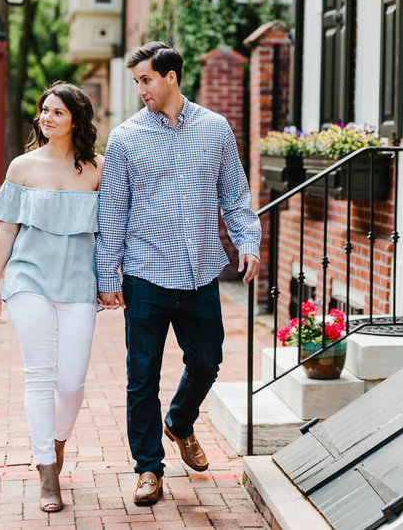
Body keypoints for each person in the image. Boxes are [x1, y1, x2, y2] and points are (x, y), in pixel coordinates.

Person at [96, 41, 261, 506]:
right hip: (145, 275)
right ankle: (148, 468)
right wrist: (108, 276)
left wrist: (248, 244)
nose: (141, 90)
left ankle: (180, 423)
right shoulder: (126, 137)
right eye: (137, 82)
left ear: (171, 77)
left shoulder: (215, 129)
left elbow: (234, 195)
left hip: (200, 273)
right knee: (141, 377)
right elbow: (112, 212)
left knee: (208, 362)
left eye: (146, 80)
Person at [0, 82, 103, 514]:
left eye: (57, 112)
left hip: (78, 287)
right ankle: (46, 469)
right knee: (40, 374)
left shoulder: (96, 170)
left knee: (71, 382)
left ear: (76, 120)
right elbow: (7, 229)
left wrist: (111, 280)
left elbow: (108, 235)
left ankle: (55, 442)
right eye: (44, 111)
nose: (46, 118)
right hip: (28, 281)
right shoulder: (22, 167)